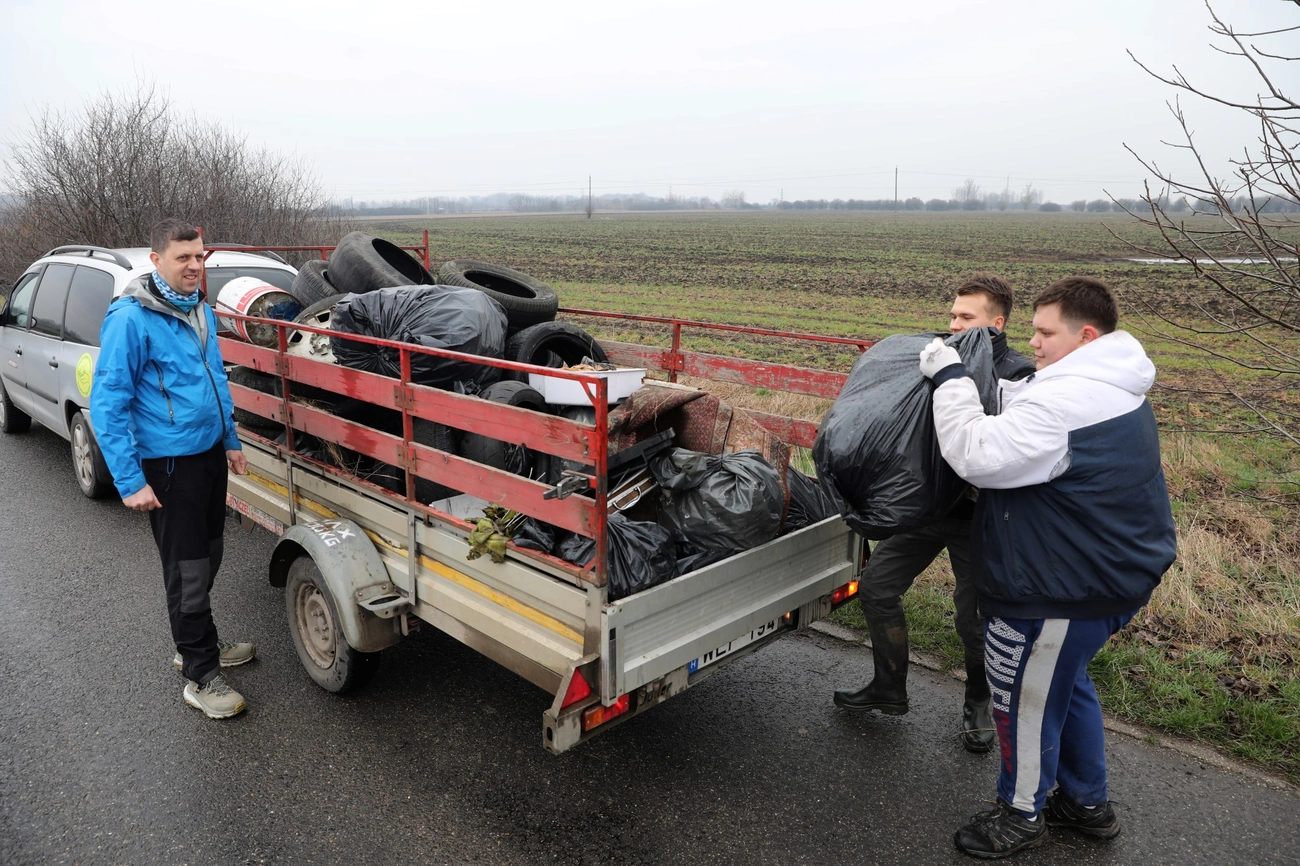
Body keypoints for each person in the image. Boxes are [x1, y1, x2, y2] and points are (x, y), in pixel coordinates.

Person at [918, 276, 1177, 859]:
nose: (1032, 343)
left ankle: (1021, 811)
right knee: (1064, 681)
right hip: (1110, 573)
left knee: (1020, 697)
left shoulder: (1067, 402)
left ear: (1085, 336)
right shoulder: (1110, 381)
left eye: (1044, 332)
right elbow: (1039, 421)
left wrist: (952, 379)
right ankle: (1086, 803)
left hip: (1059, 586)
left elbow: (978, 455)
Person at [833, 274, 1035, 754]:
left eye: (966, 317)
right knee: (877, 586)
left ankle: (978, 704)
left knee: (974, 620)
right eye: (952, 315)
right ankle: (888, 687)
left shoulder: (1018, 376)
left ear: (996, 321)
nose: (952, 324)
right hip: (924, 510)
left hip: (979, 519)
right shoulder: (937, 360)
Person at [91, 218, 255, 720]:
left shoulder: (198, 308)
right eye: (182, 257)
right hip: (166, 466)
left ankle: (195, 640)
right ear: (156, 260)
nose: (193, 266)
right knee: (187, 570)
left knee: (209, 555)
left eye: (199, 256)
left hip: (207, 456)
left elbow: (216, 382)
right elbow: (108, 404)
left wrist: (229, 440)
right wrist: (129, 479)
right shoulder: (131, 319)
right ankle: (200, 675)